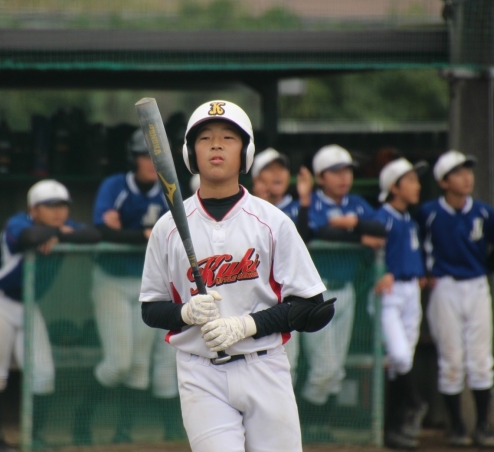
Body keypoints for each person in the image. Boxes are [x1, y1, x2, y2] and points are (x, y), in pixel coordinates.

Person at [140, 100, 334, 451]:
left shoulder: (272, 222)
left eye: (228, 137)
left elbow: (313, 306)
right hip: (200, 372)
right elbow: (151, 309)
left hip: (265, 366)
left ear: (245, 152)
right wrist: (185, 313)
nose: (216, 145)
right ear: (190, 153)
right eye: (205, 138)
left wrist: (246, 325)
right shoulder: (167, 228)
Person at [0, 179, 100, 452]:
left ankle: (34, 438)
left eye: (62, 205)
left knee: (43, 374)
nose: (58, 211)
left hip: (28, 305)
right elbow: (29, 238)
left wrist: (56, 234)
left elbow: (93, 235)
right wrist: (59, 233)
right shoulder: (18, 222)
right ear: (33, 209)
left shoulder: (62, 226)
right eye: (50, 206)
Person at [77, 128, 170, 445]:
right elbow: (102, 231)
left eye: (155, 157)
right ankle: (80, 421)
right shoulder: (115, 185)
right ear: (134, 159)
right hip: (112, 281)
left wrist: (128, 231)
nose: (151, 163)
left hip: (147, 283)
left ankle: (124, 434)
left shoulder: (168, 189)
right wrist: (144, 234)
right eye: (145, 156)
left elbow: (169, 235)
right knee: (118, 363)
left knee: (139, 365)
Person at [417, 150, 494, 448]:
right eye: (457, 173)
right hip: (444, 286)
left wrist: (486, 269)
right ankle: (456, 427)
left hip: (476, 285)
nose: (466, 177)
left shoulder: (482, 211)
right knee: (451, 360)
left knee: (481, 360)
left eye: (467, 171)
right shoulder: (429, 212)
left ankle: (482, 426)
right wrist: (423, 272)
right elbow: (414, 244)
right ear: (444, 182)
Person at [301, 144, 386, 438]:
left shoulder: (357, 204)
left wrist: (353, 224)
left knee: (336, 369)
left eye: (347, 171)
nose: (344, 177)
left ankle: (320, 428)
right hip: (316, 294)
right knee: (324, 368)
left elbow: (383, 228)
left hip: (346, 291)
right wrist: (360, 237)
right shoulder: (312, 203)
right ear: (320, 177)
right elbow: (315, 231)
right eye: (335, 171)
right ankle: (307, 427)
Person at [373, 158, 429, 449]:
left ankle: (392, 429)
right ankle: (416, 403)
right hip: (389, 295)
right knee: (400, 355)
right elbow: (366, 251)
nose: (417, 186)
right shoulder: (382, 216)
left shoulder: (409, 218)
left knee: (399, 363)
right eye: (411, 180)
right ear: (394, 187)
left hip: (410, 291)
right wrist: (381, 272)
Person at [251, 148, 314, 382]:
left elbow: (305, 239)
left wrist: (305, 201)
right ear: (257, 178)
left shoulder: (299, 207)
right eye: (269, 169)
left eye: (282, 168)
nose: (277, 174)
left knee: (290, 364)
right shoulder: (247, 209)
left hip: (291, 298)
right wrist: (259, 202)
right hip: (256, 297)